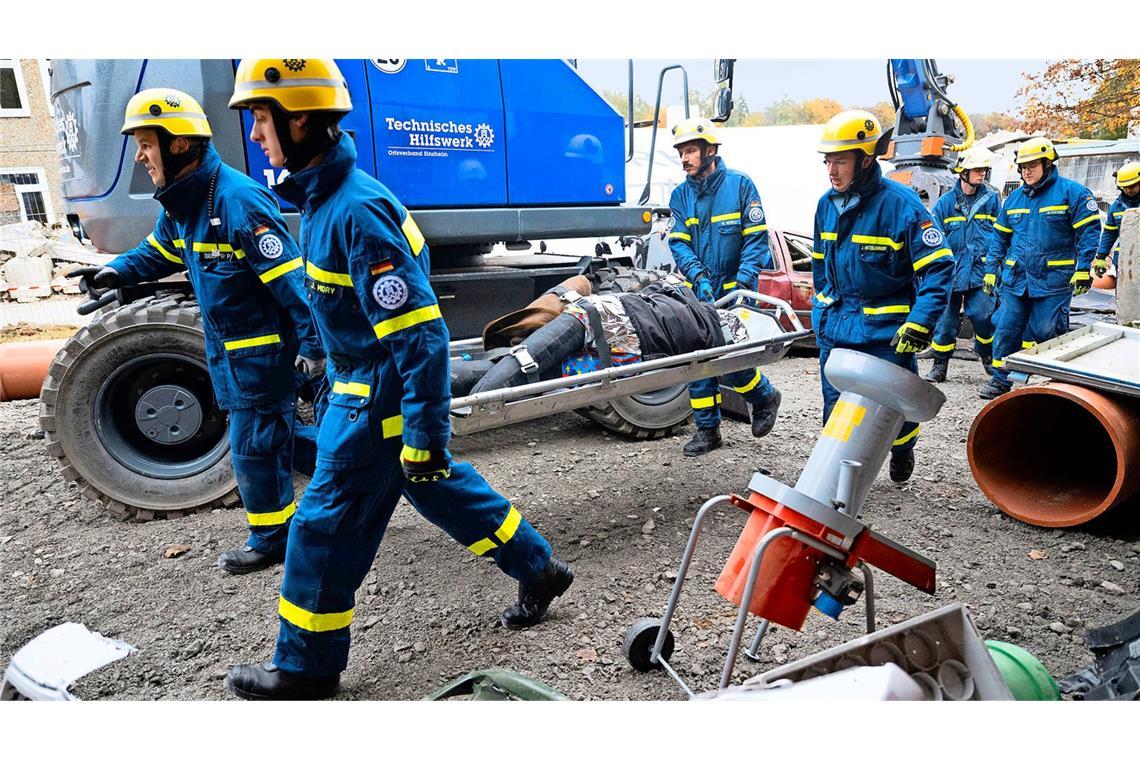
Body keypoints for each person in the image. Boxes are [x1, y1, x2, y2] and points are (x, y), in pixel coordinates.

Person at [224, 59, 572, 700]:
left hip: (372, 402)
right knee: (439, 490)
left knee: (319, 529)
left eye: (262, 119)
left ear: (300, 119)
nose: (257, 135)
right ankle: (540, 568)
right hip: (364, 390)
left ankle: (305, 670)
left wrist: (424, 431)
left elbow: (420, 336)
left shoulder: (355, 212)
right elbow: (349, 313)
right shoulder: (331, 203)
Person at [68, 88, 324, 574]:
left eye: (146, 144)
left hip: (263, 358)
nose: (141, 157)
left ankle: (273, 540)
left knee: (253, 450)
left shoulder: (237, 202)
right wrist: (115, 272)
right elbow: (159, 252)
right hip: (231, 358)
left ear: (179, 144)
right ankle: (367, 481)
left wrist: (314, 351)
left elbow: (296, 287)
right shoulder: (185, 204)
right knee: (282, 442)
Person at [812, 110, 955, 483]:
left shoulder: (902, 205)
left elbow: (938, 267)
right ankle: (840, 481)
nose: (831, 170)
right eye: (828, 161)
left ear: (866, 158)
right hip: (837, 329)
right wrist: (822, 308)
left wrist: (921, 323)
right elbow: (818, 266)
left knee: (895, 410)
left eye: (840, 161)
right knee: (837, 409)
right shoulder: (826, 205)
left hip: (887, 334)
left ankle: (903, 447)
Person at [666, 116, 782, 456]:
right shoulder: (680, 195)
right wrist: (698, 277)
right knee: (697, 359)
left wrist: (743, 284)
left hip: (737, 289)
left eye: (690, 151)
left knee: (732, 360)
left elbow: (756, 240)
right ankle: (707, 430)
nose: (684, 158)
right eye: (681, 152)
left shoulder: (741, 185)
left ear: (710, 150)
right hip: (701, 291)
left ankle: (764, 397)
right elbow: (679, 243)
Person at [468, 274, 774, 395]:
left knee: (519, 363)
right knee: (525, 364)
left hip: (600, 322)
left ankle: (461, 401)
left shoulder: (687, 309)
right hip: (601, 326)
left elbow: (654, 289)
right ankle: (467, 405)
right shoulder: (705, 330)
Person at [980, 137, 1102, 399]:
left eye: (1032, 165)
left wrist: (1083, 268)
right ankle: (1001, 380)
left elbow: (1090, 233)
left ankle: (1053, 383)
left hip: (1053, 280)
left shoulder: (1073, 193)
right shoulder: (1013, 199)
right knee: (1005, 328)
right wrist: (991, 269)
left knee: (1047, 331)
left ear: (1048, 164)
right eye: (1023, 166)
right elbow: (999, 238)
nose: (1027, 171)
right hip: (1017, 279)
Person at [925, 147, 1000, 382]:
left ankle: (987, 355)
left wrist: (997, 266)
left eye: (984, 170)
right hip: (952, 272)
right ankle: (940, 365)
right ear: (963, 172)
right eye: (978, 170)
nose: (983, 174)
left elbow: (1001, 234)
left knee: (983, 316)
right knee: (945, 322)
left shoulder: (992, 200)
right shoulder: (945, 204)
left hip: (981, 272)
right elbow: (933, 239)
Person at [1092, 160, 1140, 276]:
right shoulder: (1116, 207)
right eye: (1124, 187)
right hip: (1125, 263)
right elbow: (1109, 233)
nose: (1128, 190)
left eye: (1132, 186)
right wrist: (1101, 256)